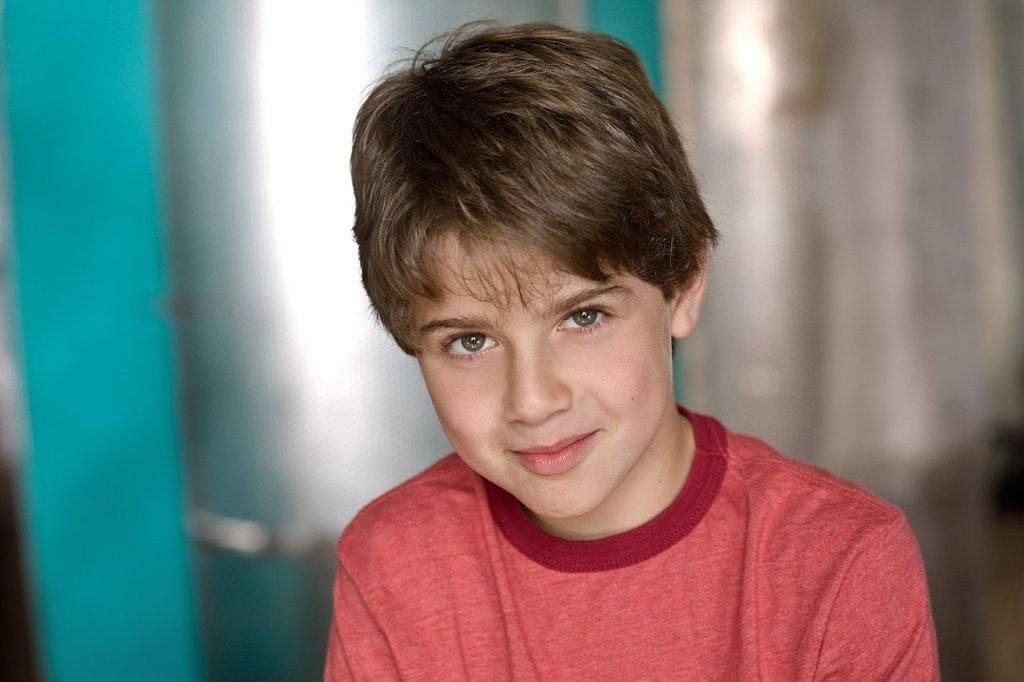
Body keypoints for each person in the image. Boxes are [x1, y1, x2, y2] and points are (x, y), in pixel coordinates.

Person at [325, 21, 939, 679]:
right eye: (470, 340)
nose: (533, 400)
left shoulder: (840, 561)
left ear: (683, 288)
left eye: (583, 317)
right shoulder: (392, 563)